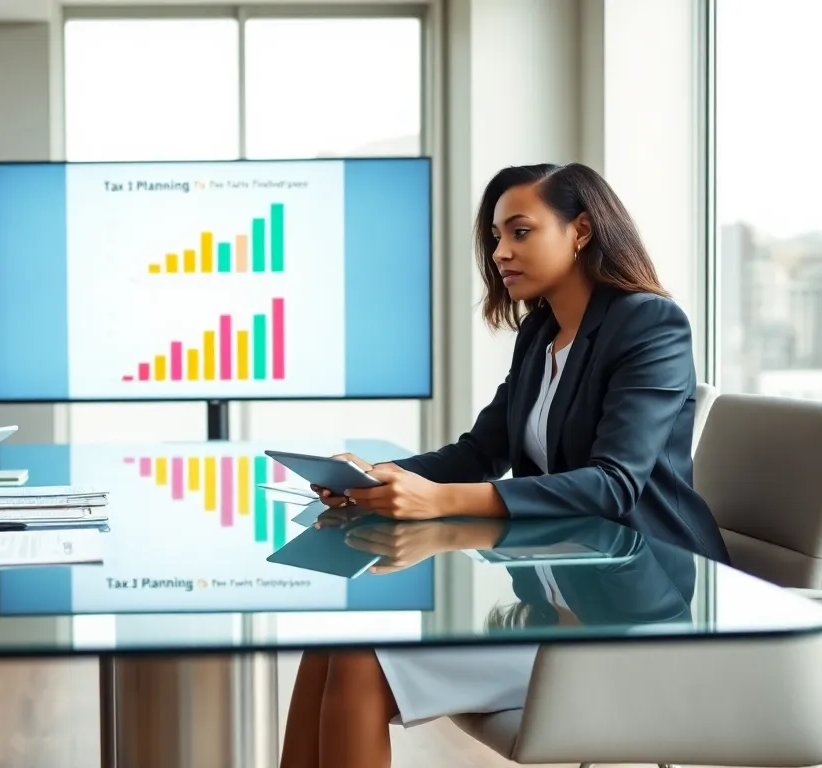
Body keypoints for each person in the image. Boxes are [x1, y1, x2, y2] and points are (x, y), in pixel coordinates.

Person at [277, 162, 730, 768]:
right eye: (495, 237)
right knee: (335, 642)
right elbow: (479, 453)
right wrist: (376, 479)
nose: (499, 253)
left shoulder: (650, 324)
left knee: (364, 657)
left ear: (582, 231)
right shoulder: (541, 332)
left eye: (519, 232)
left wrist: (438, 501)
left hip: (636, 614)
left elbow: (614, 485)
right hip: (561, 598)